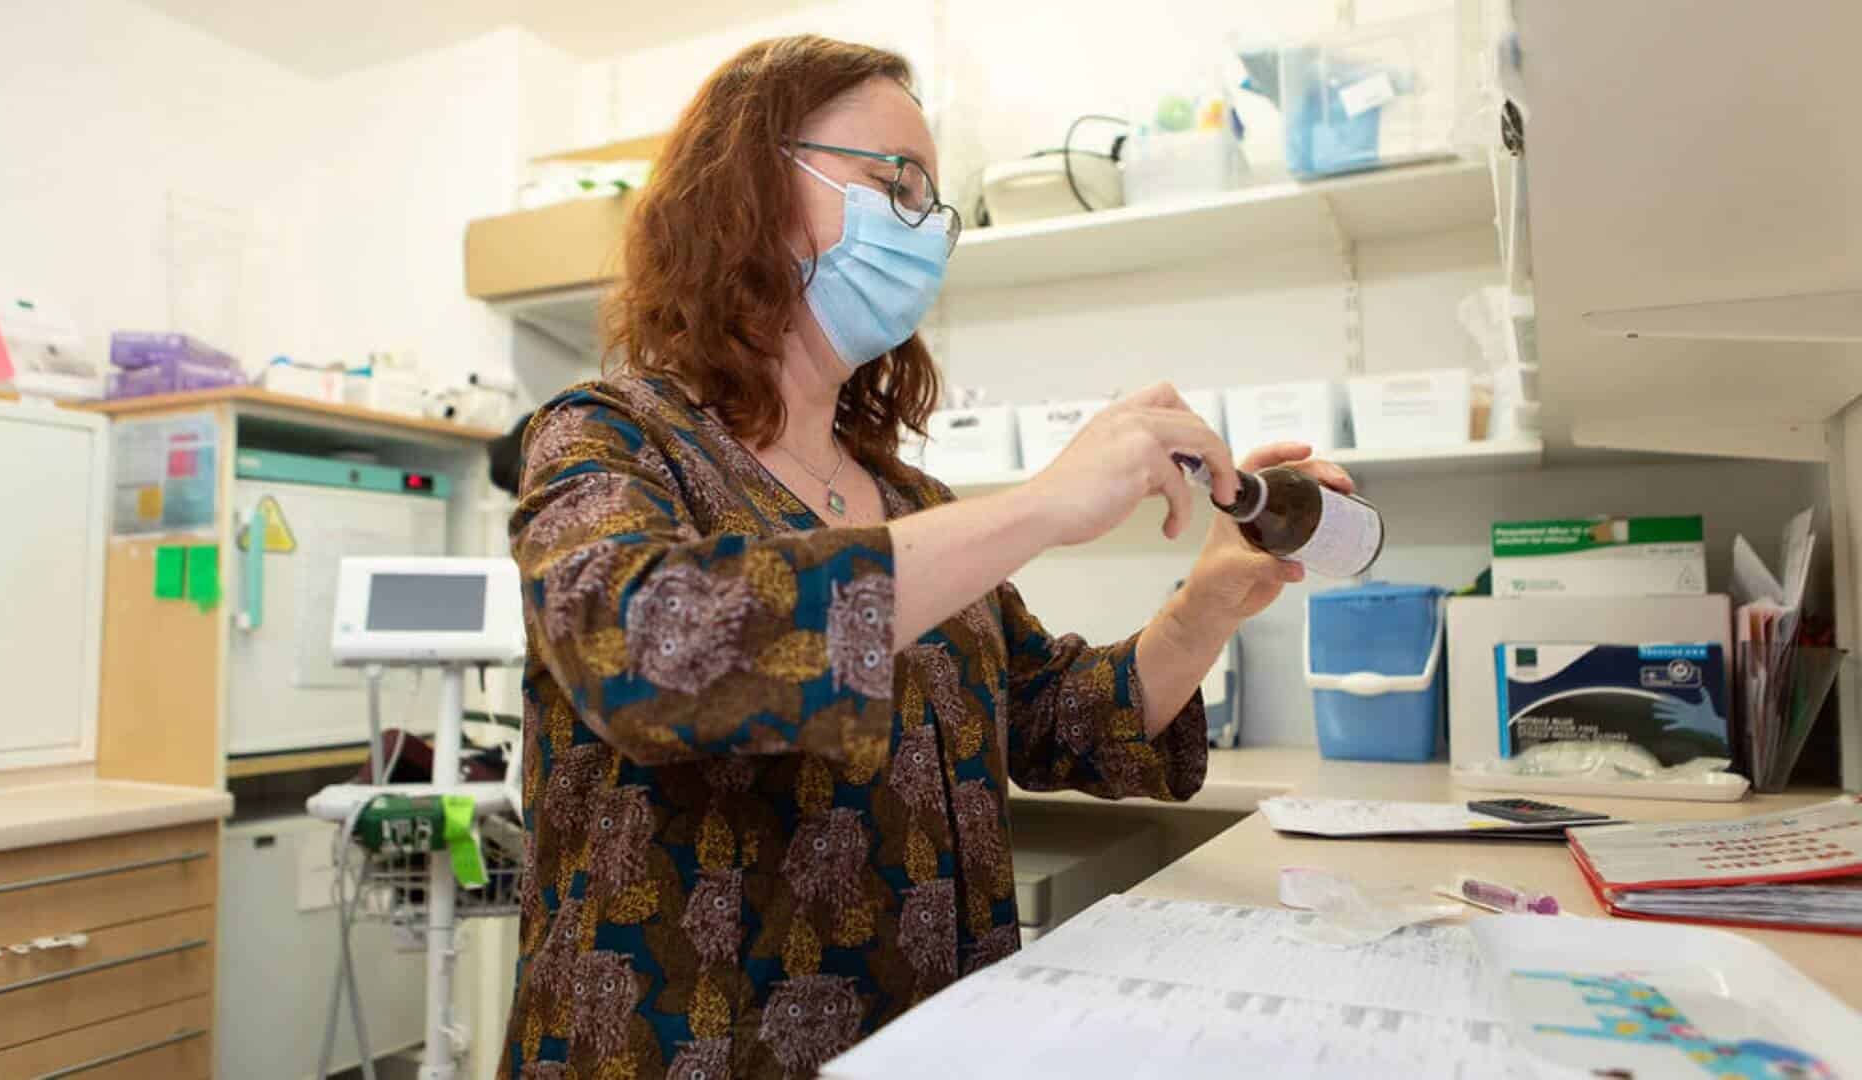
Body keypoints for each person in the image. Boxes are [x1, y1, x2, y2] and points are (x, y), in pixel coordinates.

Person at [499, 34, 1351, 1079]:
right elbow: (647, 647)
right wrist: (1040, 506)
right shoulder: (607, 436)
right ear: (746, 192)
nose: (924, 226)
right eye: (891, 180)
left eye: (933, 201)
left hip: (928, 1044)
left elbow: (1053, 718)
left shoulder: (907, 497)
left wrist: (1214, 597)